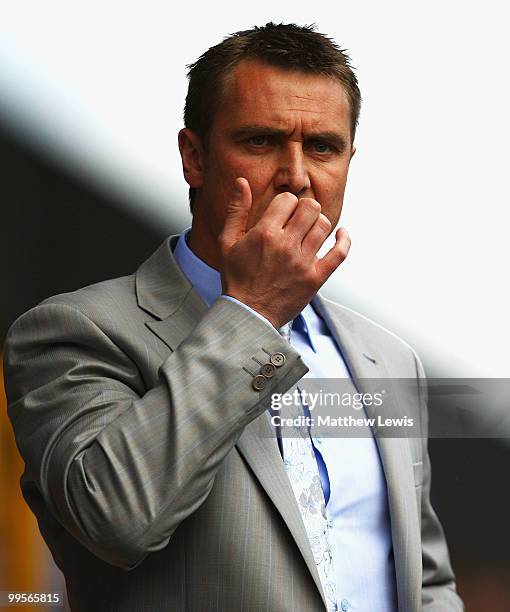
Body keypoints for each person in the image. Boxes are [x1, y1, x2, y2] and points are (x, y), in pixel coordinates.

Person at [4, 23, 464, 612]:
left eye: (322, 146)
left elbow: (423, 580)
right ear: (194, 157)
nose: (296, 174)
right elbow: (116, 521)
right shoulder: (71, 331)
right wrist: (252, 312)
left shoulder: (389, 358)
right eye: (262, 141)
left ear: (350, 160)